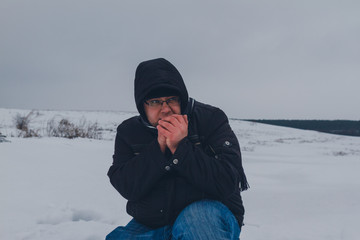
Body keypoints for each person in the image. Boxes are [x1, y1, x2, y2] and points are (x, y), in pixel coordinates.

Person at [106, 58, 249, 240]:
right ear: (142, 105)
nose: (166, 109)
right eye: (155, 102)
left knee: (197, 222)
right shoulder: (129, 132)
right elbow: (127, 186)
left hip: (209, 215)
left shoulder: (211, 119)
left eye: (172, 100)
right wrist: (159, 149)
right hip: (151, 222)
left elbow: (228, 181)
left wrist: (180, 148)